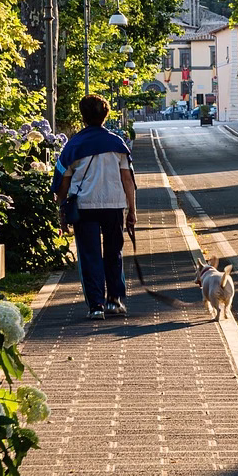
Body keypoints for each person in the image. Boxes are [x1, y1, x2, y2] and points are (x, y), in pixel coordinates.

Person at [52, 95, 137, 320]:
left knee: (89, 256)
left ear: (83, 117)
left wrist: (62, 210)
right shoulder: (118, 144)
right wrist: (132, 211)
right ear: (105, 116)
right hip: (114, 205)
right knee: (113, 253)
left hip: (85, 207)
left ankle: (96, 305)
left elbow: (63, 183)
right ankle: (115, 300)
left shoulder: (74, 145)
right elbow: (128, 180)